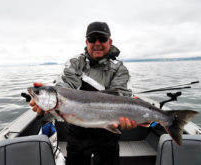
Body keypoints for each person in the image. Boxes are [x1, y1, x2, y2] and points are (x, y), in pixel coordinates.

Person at [30, 22, 137, 165]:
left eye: (102, 39)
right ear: (86, 42)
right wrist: (49, 96)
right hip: (77, 136)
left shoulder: (119, 69)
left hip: (109, 136)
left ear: (110, 41)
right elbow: (65, 84)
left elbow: (122, 96)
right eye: (92, 39)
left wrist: (127, 117)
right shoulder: (75, 63)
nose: (97, 43)